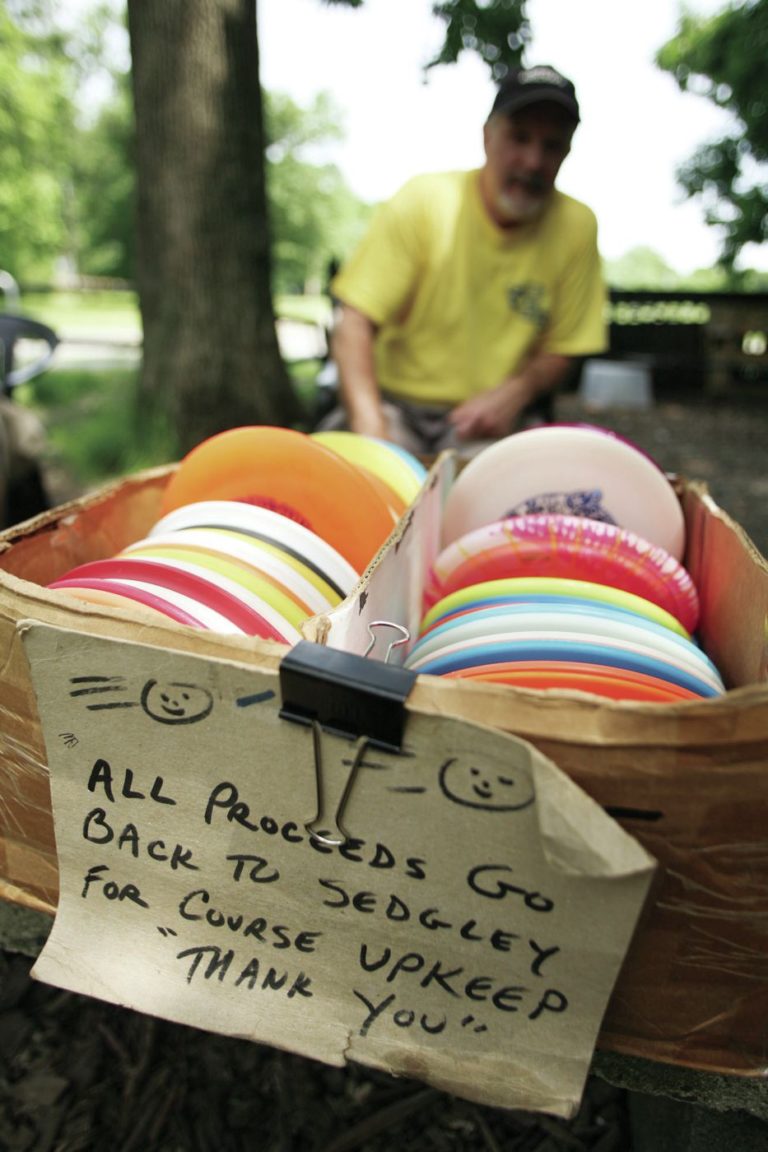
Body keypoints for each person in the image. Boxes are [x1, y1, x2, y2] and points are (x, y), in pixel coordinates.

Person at [318, 64, 608, 456]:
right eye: (519, 138)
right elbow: (352, 324)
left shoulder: (577, 226)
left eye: (551, 145)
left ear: (568, 151)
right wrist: (372, 432)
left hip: (486, 418)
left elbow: (565, 347)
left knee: (501, 495)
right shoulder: (425, 201)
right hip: (393, 406)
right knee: (348, 481)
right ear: (488, 136)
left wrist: (516, 393)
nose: (532, 162)